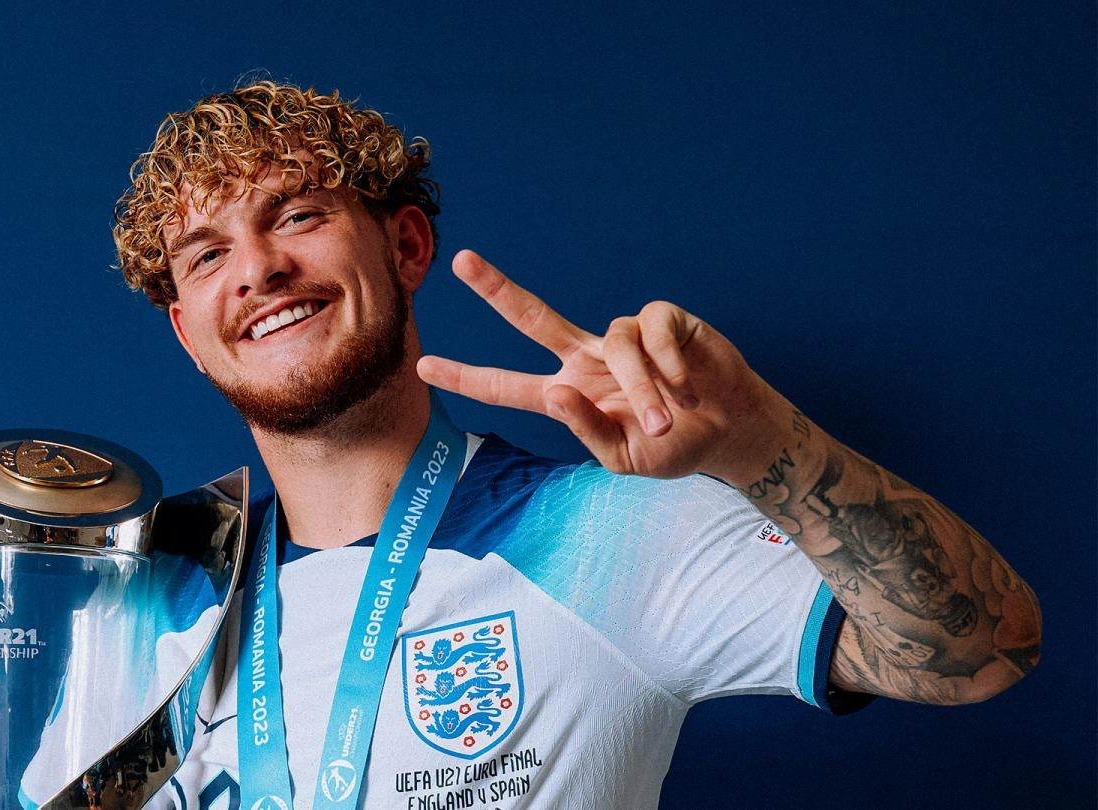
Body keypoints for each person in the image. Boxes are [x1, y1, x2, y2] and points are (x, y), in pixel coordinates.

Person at [109, 80, 1040, 810]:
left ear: (407, 247)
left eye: (297, 215)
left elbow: (986, 648)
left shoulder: (609, 530)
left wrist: (762, 444)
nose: (259, 270)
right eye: (205, 254)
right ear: (189, 333)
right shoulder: (147, 602)